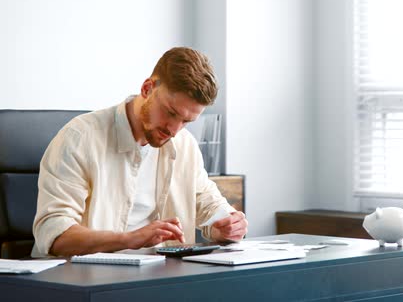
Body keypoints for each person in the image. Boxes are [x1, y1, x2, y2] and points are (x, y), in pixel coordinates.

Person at [32, 47, 248, 257]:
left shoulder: (184, 144)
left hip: (157, 278)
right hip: (84, 280)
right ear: (147, 88)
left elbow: (208, 201)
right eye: (171, 112)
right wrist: (129, 239)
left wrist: (226, 226)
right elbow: (54, 234)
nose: (174, 130)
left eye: (186, 121)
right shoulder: (79, 138)